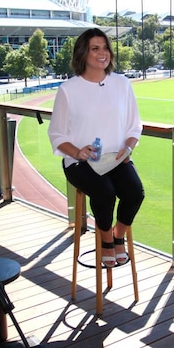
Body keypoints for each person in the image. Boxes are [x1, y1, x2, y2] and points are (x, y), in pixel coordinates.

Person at [48, 28, 144, 269]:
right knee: (105, 193)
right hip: (80, 162)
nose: (103, 53)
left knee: (135, 192)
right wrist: (78, 151)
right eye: (95, 48)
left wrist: (128, 149)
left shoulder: (122, 84)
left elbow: (135, 126)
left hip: (116, 159)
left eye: (105, 48)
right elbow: (57, 134)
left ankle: (118, 234)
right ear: (83, 53)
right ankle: (105, 238)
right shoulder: (68, 90)